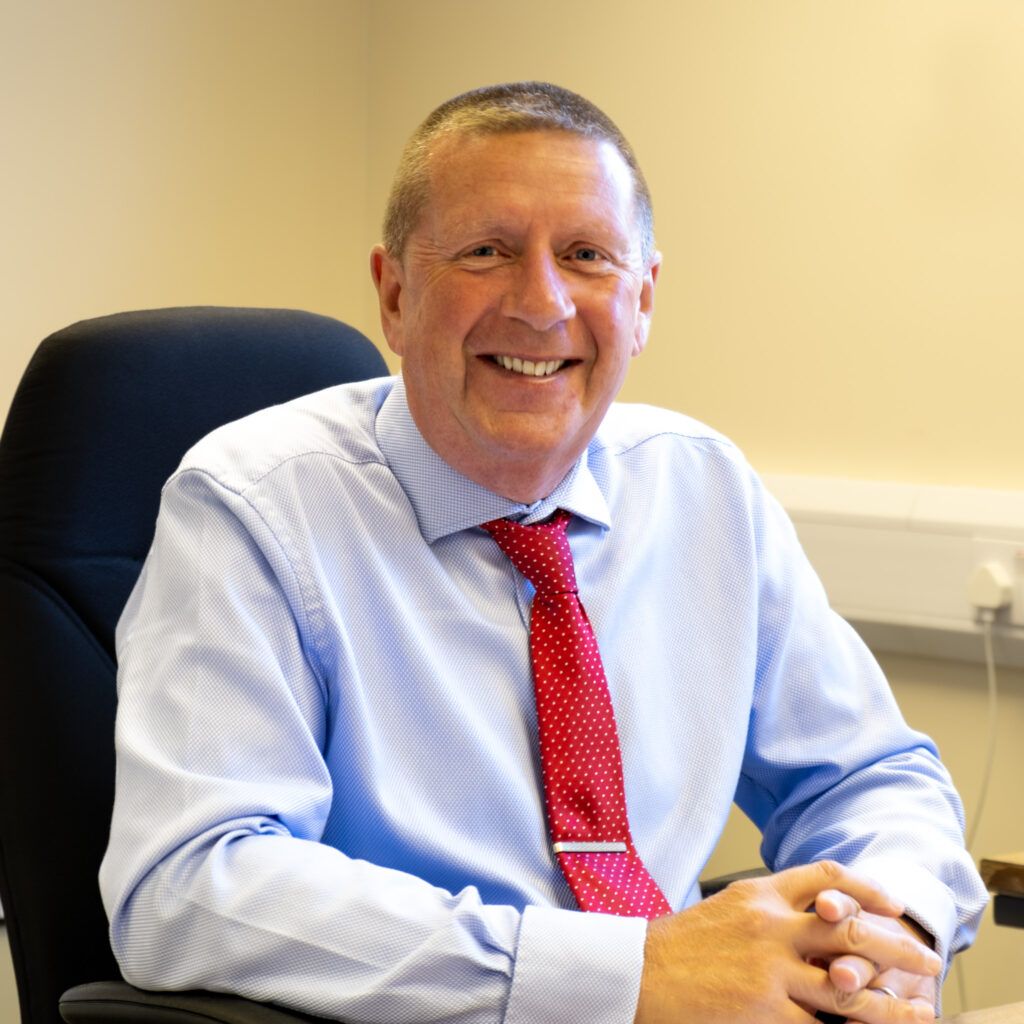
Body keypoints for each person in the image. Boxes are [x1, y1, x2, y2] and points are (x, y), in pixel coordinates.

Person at [100, 82, 986, 1024]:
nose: (541, 302)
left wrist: (879, 938)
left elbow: (870, 777)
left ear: (642, 301)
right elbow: (190, 884)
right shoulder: (254, 505)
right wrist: (622, 976)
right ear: (395, 295)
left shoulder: (704, 490)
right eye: (485, 252)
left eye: (586, 256)